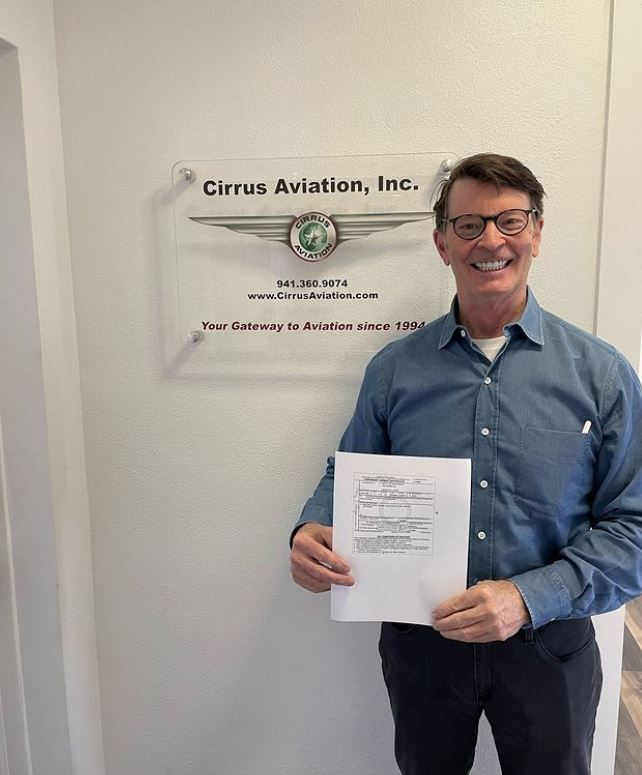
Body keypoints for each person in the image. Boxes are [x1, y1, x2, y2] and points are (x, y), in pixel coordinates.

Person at [289, 153, 642, 775]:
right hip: (421, 647)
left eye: (510, 221)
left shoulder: (602, 375)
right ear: (441, 242)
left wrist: (527, 598)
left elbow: (635, 529)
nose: (490, 241)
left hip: (549, 647)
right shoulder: (394, 369)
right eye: (469, 225)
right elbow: (348, 473)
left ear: (536, 233)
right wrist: (313, 528)